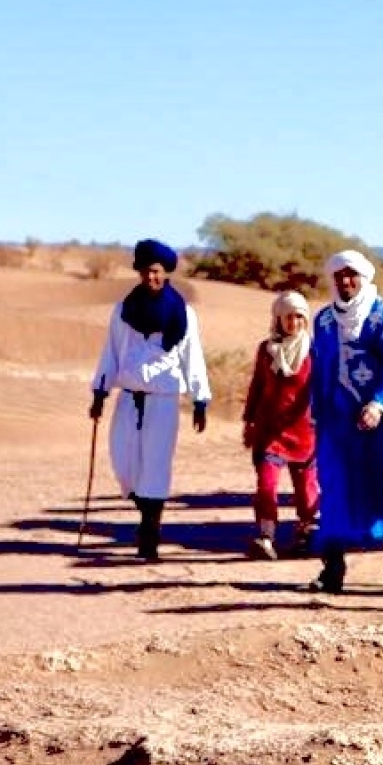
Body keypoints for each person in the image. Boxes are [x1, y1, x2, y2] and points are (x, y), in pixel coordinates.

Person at [89, 238, 211, 561]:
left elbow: (192, 356)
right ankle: (144, 512)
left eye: (156, 271)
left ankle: (150, 530)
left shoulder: (183, 313)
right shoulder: (123, 310)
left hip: (163, 398)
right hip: (129, 396)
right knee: (123, 461)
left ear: (166, 272)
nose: (151, 277)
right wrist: (100, 392)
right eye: (145, 271)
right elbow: (112, 351)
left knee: (156, 464)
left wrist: (200, 399)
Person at [307, 249, 383, 593]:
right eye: (339, 276)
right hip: (336, 424)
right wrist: (315, 409)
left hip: (378, 422)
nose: (345, 282)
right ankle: (333, 565)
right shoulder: (324, 320)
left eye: (351, 275)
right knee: (335, 489)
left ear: (364, 278)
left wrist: (379, 404)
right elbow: (319, 367)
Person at [240, 290, 319, 560]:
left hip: (304, 431)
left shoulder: (315, 351)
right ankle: (266, 536)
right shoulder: (267, 350)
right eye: (288, 317)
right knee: (266, 485)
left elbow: (323, 389)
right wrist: (249, 421)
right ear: (278, 318)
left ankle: (306, 532)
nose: (293, 322)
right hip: (269, 431)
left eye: (299, 317)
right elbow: (257, 386)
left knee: (306, 489)